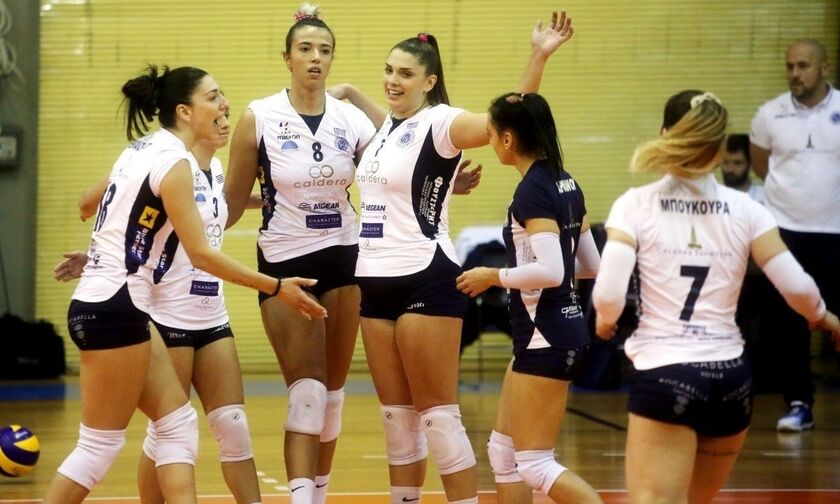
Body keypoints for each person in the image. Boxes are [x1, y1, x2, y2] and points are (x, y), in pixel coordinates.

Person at [42, 64, 326, 504]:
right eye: (212, 97)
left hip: (111, 300)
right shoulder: (174, 162)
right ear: (184, 112)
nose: (224, 105)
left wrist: (107, 252)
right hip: (125, 303)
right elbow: (201, 255)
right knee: (102, 445)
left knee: (176, 425)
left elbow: (108, 209)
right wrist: (275, 287)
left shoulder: (141, 150)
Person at [329, 11, 574, 504]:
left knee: (438, 419)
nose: (393, 80)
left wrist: (538, 56)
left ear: (429, 81)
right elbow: (393, 129)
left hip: (426, 277)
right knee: (397, 421)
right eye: (389, 70)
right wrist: (352, 91)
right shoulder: (387, 128)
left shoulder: (443, 122)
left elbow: (508, 118)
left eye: (405, 74)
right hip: (372, 279)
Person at [591, 89, 840, 504]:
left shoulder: (635, 205)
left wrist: (605, 319)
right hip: (732, 381)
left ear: (665, 134)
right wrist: (823, 316)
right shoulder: (748, 209)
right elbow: (797, 287)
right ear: (722, 147)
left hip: (666, 373)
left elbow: (609, 294)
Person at [55, 110, 264, 504]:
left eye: (226, 114)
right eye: (215, 111)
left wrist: (277, 200)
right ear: (188, 115)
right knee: (167, 429)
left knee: (232, 424)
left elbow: (216, 210)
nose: (225, 121)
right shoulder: (161, 160)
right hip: (166, 311)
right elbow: (104, 206)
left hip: (211, 311)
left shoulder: (217, 170)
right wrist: (101, 257)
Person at [225, 6, 376, 503]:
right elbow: (229, 205)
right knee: (307, 394)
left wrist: (443, 184)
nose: (315, 58)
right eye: (306, 49)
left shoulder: (350, 118)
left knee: (332, 397)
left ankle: (318, 494)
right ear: (286, 57)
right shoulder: (259, 116)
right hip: (287, 261)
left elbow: (391, 169)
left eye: (325, 50)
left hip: (346, 257)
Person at [456, 92, 602, 503]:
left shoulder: (532, 191)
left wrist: (493, 276)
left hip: (546, 337)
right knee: (503, 452)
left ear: (507, 140)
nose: (488, 141)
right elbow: (589, 266)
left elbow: (553, 272)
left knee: (535, 464)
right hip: (553, 334)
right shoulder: (566, 181)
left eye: (490, 134)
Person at [749, 38, 840, 432]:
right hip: (787, 233)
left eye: (803, 66)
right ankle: (799, 403)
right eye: (790, 66)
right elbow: (761, 166)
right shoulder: (769, 114)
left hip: (835, 232)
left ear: (824, 69)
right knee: (791, 322)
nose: (795, 74)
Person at [720, 134, 764, 204]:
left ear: (750, 164)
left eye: (737, 163)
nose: (730, 169)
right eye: (726, 162)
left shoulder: (765, 199)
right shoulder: (711, 199)